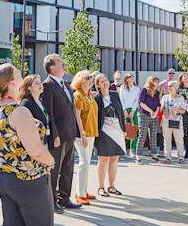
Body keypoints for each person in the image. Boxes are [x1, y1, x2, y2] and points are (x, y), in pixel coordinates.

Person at [0, 64, 56, 225]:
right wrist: (51, 161)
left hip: (4, 177)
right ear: (12, 83)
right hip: (27, 178)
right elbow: (36, 151)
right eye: (18, 74)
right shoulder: (19, 112)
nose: (22, 75)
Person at [40, 54, 80, 213]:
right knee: (54, 170)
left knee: (68, 167)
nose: (63, 63)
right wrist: (54, 135)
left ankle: (65, 198)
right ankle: (52, 201)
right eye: (59, 61)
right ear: (51, 67)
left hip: (69, 134)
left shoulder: (66, 84)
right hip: (58, 137)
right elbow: (48, 113)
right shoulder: (48, 86)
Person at [93, 73, 125, 197]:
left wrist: (123, 128)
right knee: (103, 159)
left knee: (114, 158)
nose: (105, 82)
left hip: (116, 128)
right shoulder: (96, 98)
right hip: (104, 130)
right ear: (98, 85)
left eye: (105, 80)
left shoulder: (115, 94)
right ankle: (101, 187)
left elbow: (121, 112)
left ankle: (111, 186)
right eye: (101, 81)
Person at [71, 70, 98, 205]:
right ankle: (79, 194)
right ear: (80, 80)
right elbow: (77, 115)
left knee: (87, 163)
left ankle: (83, 190)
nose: (91, 80)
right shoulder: (78, 95)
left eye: (91, 78)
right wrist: (82, 133)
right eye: (88, 78)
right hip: (82, 134)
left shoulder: (89, 95)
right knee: (84, 162)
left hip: (92, 132)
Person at [19, 75, 51, 146]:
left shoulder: (41, 101)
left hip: (44, 141)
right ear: (29, 87)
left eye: (40, 82)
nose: (40, 85)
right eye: (36, 83)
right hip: (33, 144)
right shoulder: (26, 103)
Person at [135, 76, 161, 164]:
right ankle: (138, 156)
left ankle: (154, 154)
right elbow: (141, 103)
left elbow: (158, 105)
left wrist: (156, 113)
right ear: (151, 82)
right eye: (156, 81)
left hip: (153, 116)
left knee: (153, 135)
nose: (157, 83)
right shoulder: (144, 90)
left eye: (158, 82)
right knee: (143, 134)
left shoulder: (157, 92)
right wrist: (151, 111)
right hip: (143, 114)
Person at [161, 81, 187, 164]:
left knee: (179, 139)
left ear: (176, 88)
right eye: (168, 86)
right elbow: (161, 108)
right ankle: (168, 157)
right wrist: (165, 111)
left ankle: (181, 157)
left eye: (171, 86)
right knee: (167, 140)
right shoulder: (165, 97)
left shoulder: (181, 98)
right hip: (166, 121)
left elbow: (183, 111)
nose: (169, 88)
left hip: (177, 121)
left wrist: (177, 110)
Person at [118, 74, 139, 157]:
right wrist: (124, 110)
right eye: (129, 78)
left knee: (133, 129)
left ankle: (132, 150)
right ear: (126, 79)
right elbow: (121, 99)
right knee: (123, 129)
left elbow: (137, 100)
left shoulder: (137, 89)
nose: (131, 79)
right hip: (124, 110)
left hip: (134, 110)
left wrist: (133, 111)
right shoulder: (122, 88)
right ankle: (123, 149)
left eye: (132, 78)